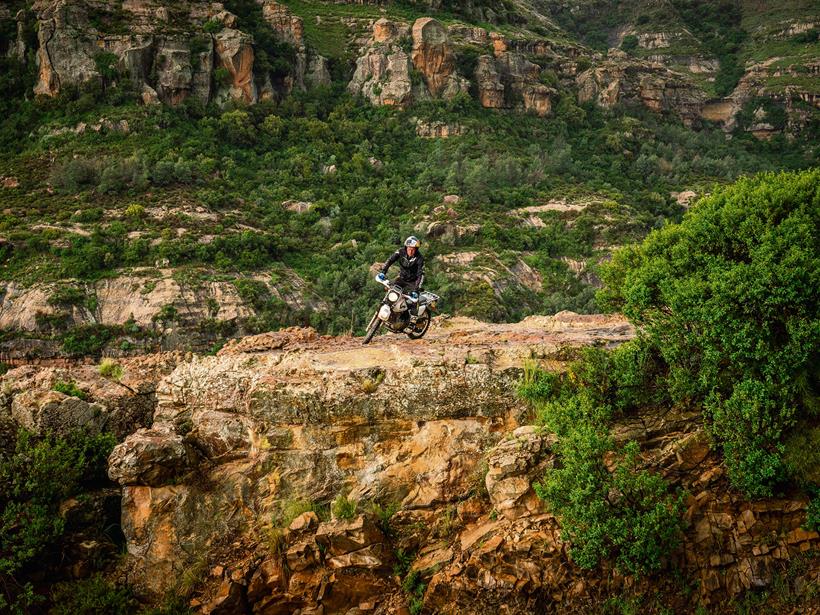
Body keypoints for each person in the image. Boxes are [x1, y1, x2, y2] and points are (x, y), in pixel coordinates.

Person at [378, 236, 424, 311]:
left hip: (413, 282)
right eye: (409, 249)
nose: (411, 251)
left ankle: (413, 318)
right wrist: (383, 272)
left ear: (416, 249)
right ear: (406, 247)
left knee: (414, 300)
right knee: (390, 291)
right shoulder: (400, 251)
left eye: (413, 250)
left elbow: (420, 274)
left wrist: (416, 289)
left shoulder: (420, 258)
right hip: (401, 278)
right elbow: (390, 260)